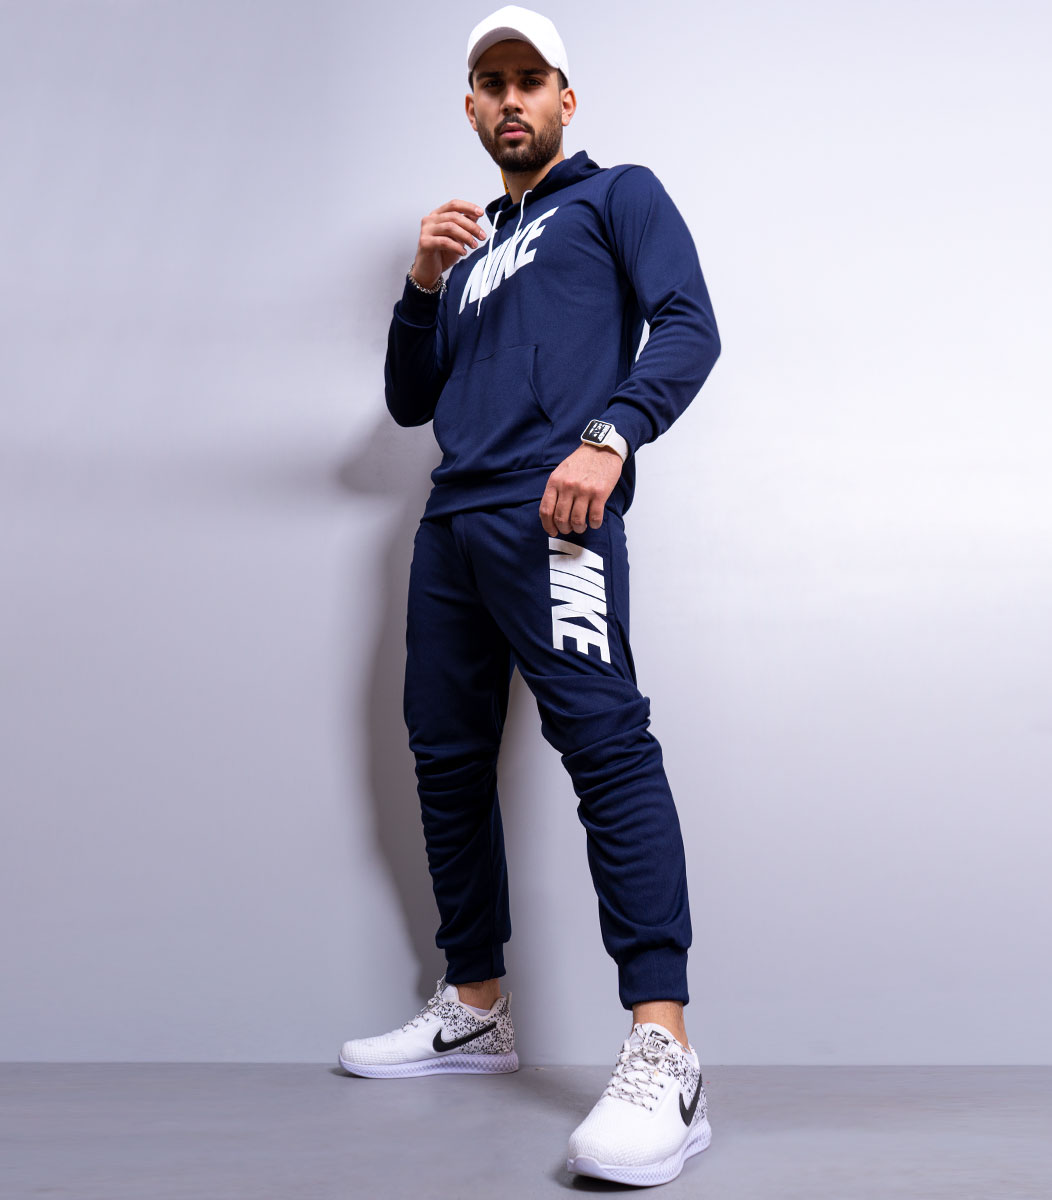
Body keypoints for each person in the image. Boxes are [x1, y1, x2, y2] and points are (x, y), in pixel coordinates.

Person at [338, 5, 721, 1187]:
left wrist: (611, 435)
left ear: (565, 98)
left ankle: (666, 1050)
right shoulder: (465, 255)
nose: (511, 99)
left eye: (530, 80)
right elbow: (408, 401)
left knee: (607, 749)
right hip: (453, 524)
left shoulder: (616, 198)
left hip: (555, 514)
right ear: (470, 108)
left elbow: (690, 327)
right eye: (491, 83)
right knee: (446, 761)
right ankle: (474, 1009)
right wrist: (421, 282)